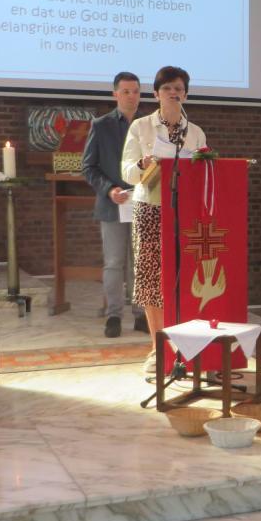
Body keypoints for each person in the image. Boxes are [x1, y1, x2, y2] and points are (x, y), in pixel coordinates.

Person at [121, 66, 207, 376]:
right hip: (150, 209)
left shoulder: (195, 132)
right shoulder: (141, 127)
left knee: (183, 278)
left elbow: (203, 172)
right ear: (156, 93)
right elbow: (126, 172)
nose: (173, 93)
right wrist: (142, 165)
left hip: (184, 211)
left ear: (186, 95)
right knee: (151, 281)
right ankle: (159, 349)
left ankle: (186, 346)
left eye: (179, 88)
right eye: (167, 88)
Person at [82, 71, 142, 338]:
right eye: (126, 91)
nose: (131, 97)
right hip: (112, 203)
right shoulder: (101, 125)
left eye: (136, 92)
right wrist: (109, 189)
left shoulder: (148, 125)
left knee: (140, 262)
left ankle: (141, 313)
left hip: (142, 203)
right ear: (115, 94)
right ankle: (114, 315)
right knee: (115, 262)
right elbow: (89, 167)